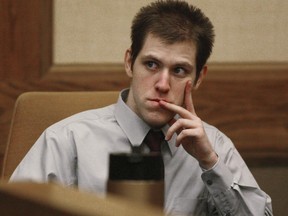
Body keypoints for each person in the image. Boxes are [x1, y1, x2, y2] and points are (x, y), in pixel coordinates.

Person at [10, 0, 273, 215]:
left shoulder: (214, 146)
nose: (162, 84)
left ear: (199, 78)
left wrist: (209, 163)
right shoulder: (67, 140)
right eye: (151, 64)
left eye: (179, 70)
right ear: (129, 62)